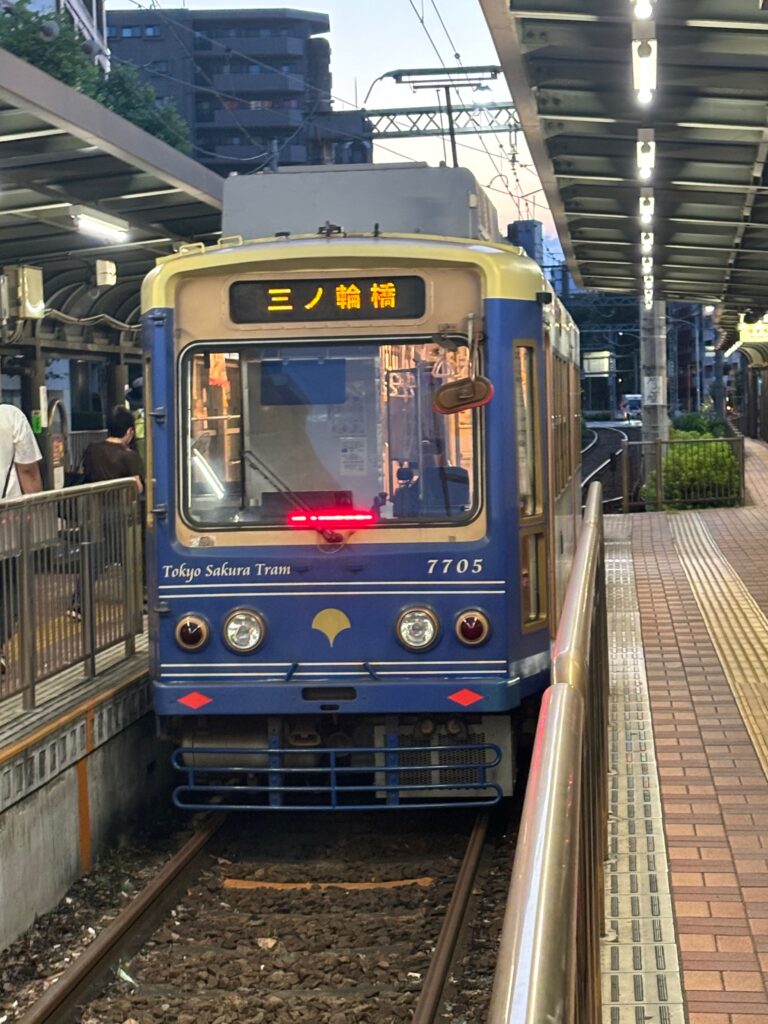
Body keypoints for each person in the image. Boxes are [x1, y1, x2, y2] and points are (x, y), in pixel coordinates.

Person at [70, 406, 143, 620]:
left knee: (95, 559)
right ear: (129, 432)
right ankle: (137, 605)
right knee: (132, 558)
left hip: (95, 513)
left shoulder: (92, 450)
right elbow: (139, 487)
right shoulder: (129, 456)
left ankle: (78, 602)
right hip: (123, 514)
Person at [0, 404, 44, 673]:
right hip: (8, 521)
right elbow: (28, 472)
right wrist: (36, 510)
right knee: (8, 586)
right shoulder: (10, 416)